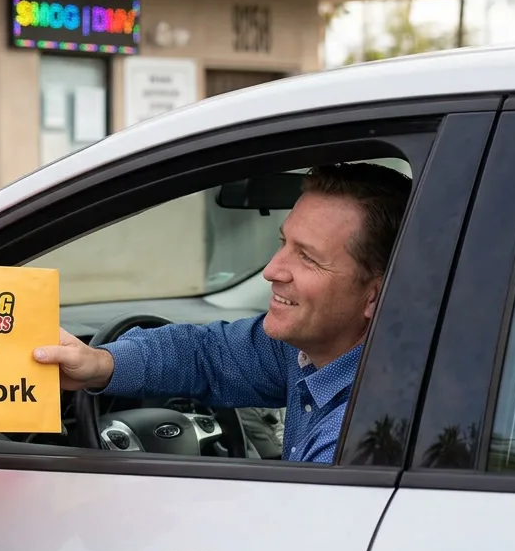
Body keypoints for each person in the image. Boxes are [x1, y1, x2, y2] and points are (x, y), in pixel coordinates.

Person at [34, 162, 411, 465]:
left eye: (308, 258)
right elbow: (207, 355)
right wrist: (100, 364)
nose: (272, 270)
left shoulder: (358, 436)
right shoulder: (314, 351)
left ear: (375, 296)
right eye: (283, 243)